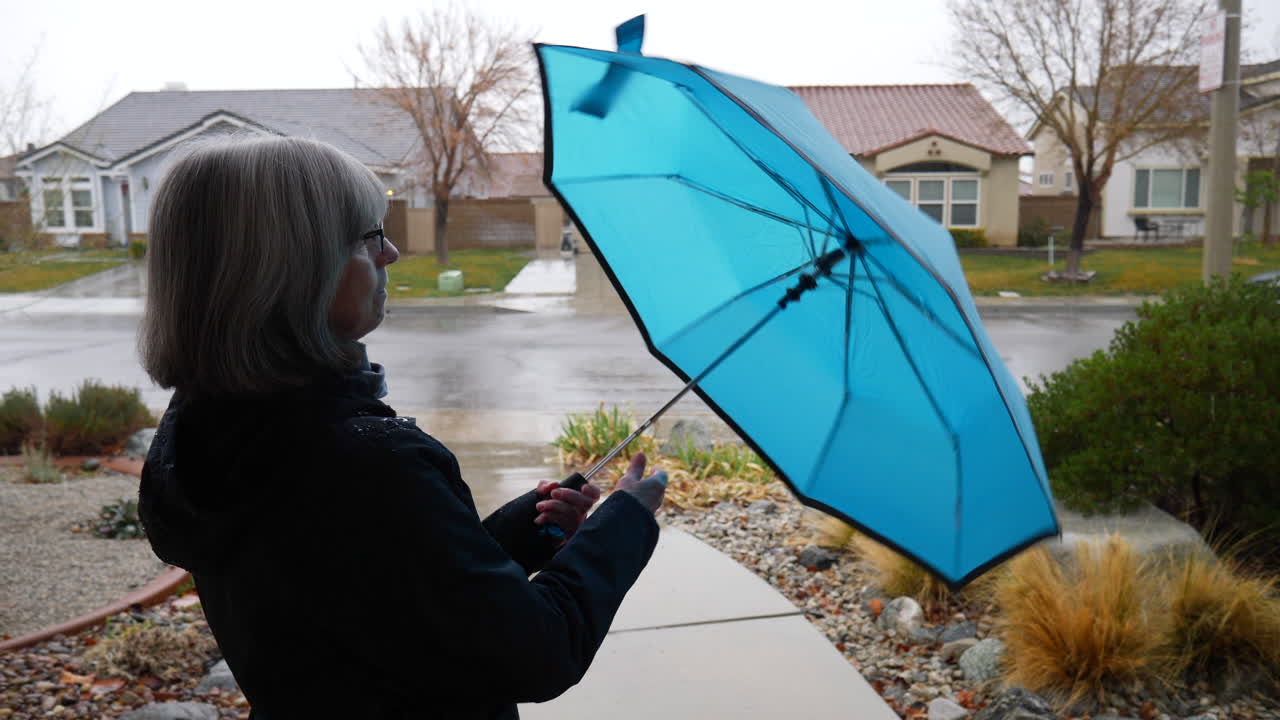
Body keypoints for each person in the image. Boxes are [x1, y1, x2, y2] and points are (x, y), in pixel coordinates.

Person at [136, 136, 668, 719]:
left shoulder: (206, 431)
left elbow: (382, 588)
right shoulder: (366, 464)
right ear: (295, 268)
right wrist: (623, 524)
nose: (389, 252)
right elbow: (537, 653)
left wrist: (526, 531)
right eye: (368, 236)